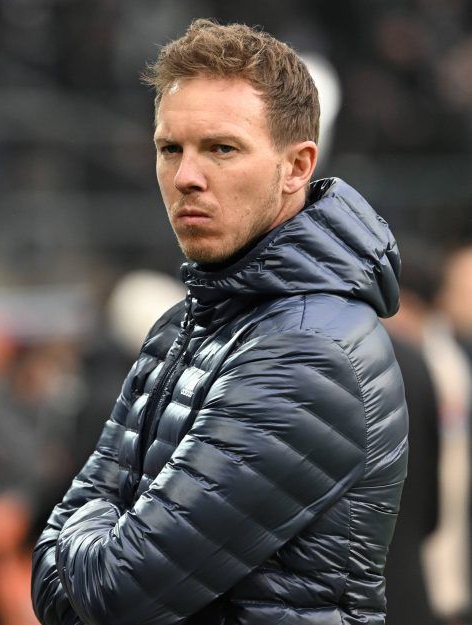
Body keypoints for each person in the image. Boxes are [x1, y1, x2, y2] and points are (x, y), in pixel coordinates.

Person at [31, 19, 408, 625]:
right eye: (170, 149)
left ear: (297, 166)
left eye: (221, 149)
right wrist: (96, 536)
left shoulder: (307, 351)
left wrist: (92, 526)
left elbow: (114, 595)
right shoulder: (183, 322)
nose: (186, 176)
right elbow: (54, 584)